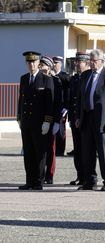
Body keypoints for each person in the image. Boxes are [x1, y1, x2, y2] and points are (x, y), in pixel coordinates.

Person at [75, 49, 105, 191]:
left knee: (104, 151)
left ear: (102, 61)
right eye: (90, 61)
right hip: (86, 117)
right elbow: (80, 98)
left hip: (102, 118)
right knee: (87, 151)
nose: (92, 63)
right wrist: (78, 116)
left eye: (94, 61)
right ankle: (90, 180)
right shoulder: (85, 75)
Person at [17, 51, 54, 190]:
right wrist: (19, 116)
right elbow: (21, 99)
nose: (31, 64)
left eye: (33, 62)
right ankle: (29, 180)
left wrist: (47, 121)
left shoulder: (46, 79)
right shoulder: (24, 78)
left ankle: (39, 181)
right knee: (28, 152)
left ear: (39, 63)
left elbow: (49, 103)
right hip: (26, 122)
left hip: (39, 122)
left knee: (40, 152)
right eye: (28, 62)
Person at [39, 56, 63, 185]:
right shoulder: (38, 79)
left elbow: (57, 102)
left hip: (52, 119)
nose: (41, 67)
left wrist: (57, 122)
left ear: (49, 67)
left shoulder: (55, 81)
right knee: (40, 149)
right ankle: (40, 175)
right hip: (38, 120)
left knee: (50, 150)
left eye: (43, 65)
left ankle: (50, 175)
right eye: (40, 65)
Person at [68, 51, 90, 185]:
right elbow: (72, 99)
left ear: (86, 63)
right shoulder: (75, 78)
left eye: (79, 62)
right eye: (76, 62)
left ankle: (87, 176)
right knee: (77, 149)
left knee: (86, 149)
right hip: (74, 118)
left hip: (86, 119)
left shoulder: (89, 77)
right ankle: (80, 175)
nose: (77, 64)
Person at [52, 56, 70, 156]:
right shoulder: (50, 75)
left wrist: (66, 106)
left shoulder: (64, 76)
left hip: (62, 106)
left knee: (61, 130)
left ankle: (60, 150)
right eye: (54, 63)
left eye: (57, 63)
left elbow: (68, 92)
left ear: (61, 64)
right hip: (53, 106)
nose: (55, 65)